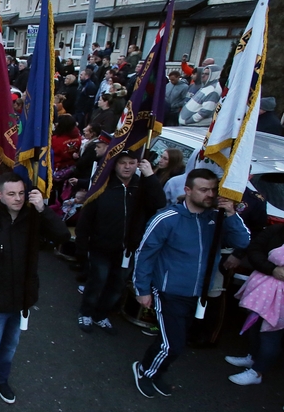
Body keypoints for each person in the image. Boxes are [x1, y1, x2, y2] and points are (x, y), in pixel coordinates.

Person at [131, 169, 250, 398]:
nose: (210, 194)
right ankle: (145, 371)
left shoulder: (216, 219)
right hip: (168, 291)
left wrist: (232, 214)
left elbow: (243, 241)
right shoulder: (167, 219)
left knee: (175, 340)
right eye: (203, 189)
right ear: (187, 190)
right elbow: (145, 254)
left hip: (198, 294)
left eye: (213, 189)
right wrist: (142, 289)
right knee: (172, 344)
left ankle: (155, 371)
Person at [0, 172, 70, 408]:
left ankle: (0, 379)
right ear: (0, 195)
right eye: (11, 194)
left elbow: (62, 235)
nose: (18, 198)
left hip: (22, 299)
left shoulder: (33, 219)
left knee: (9, 346)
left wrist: (44, 209)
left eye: (21, 193)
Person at [76, 151, 165, 335]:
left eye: (131, 162)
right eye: (122, 163)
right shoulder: (103, 186)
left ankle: (101, 314)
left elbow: (159, 202)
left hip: (128, 249)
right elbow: (86, 219)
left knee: (117, 285)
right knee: (97, 281)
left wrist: (150, 176)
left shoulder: (141, 187)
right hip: (101, 245)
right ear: (114, 165)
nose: (127, 166)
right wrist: (82, 245)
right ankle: (86, 312)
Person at [224, 223, 284, 385]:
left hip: (281, 298)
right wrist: (272, 269)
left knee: (270, 333)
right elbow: (255, 249)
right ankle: (253, 358)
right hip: (263, 287)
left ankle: (257, 372)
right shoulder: (276, 230)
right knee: (254, 325)